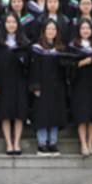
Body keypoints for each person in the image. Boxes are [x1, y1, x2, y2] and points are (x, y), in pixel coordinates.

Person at [66, 18, 92, 157]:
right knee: (81, 114)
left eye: (88, 28)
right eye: (82, 28)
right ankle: (83, 143)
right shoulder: (72, 46)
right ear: (78, 30)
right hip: (79, 84)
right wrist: (82, 63)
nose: (85, 31)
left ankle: (90, 143)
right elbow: (68, 66)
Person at [0, 12, 30, 156]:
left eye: (14, 22)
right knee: (5, 112)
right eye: (8, 22)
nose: (11, 25)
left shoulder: (24, 43)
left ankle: (17, 143)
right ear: (4, 24)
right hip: (4, 81)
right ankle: (8, 143)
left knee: (19, 112)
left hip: (20, 81)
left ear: (18, 24)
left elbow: (29, 64)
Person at [29, 19, 68, 157]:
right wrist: (35, 86)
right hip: (42, 86)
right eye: (48, 29)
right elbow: (34, 69)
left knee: (55, 113)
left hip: (57, 87)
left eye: (53, 29)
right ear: (44, 31)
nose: (51, 31)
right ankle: (42, 144)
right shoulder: (37, 49)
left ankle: (52, 143)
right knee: (42, 114)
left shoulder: (61, 49)